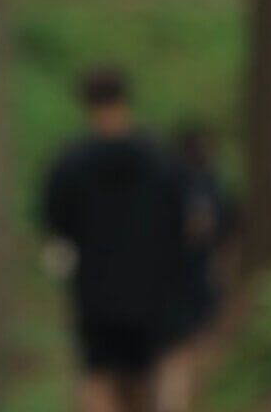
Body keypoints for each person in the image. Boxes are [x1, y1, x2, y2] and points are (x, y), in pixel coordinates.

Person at [42, 68, 202, 412]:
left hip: (95, 294)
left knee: (98, 380)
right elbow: (186, 225)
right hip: (153, 293)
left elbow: (56, 226)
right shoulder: (161, 159)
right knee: (146, 382)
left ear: (85, 103)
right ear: (126, 98)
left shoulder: (69, 165)